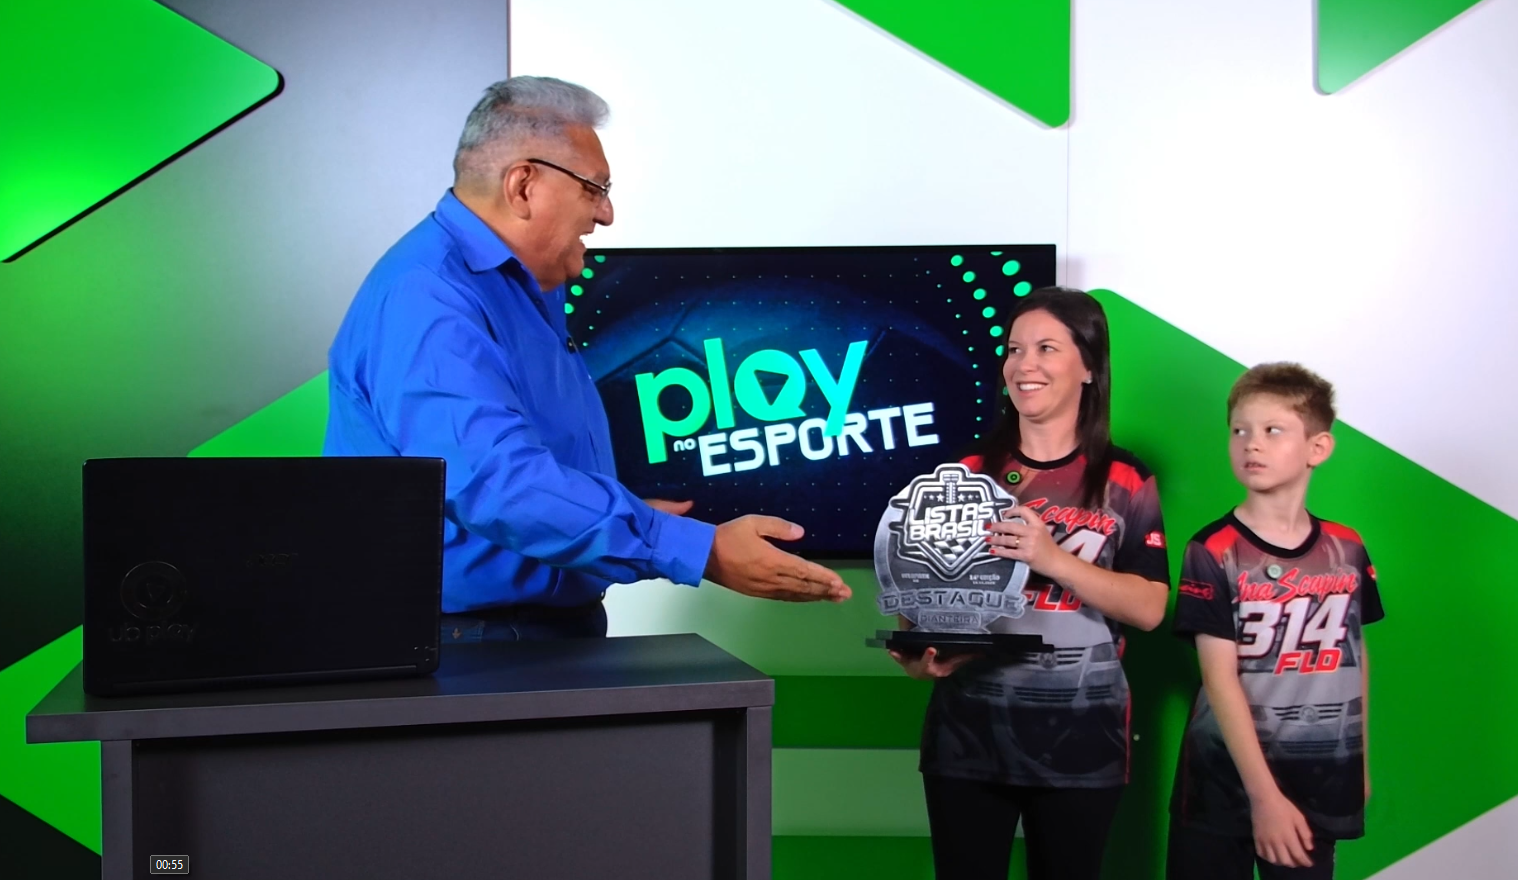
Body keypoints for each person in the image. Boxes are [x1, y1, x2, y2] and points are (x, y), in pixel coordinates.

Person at [323, 75, 848, 641]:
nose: (607, 214)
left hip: (528, 631)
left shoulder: (526, 286)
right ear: (523, 185)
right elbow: (498, 483)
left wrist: (626, 514)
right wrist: (697, 549)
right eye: (594, 188)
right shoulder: (428, 298)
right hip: (468, 644)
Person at [888, 288, 1171, 880]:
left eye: (1046, 348)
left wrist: (1053, 558)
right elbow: (918, 607)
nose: (1024, 365)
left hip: (1083, 741)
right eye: (1015, 350)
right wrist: (919, 654)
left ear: (1088, 366)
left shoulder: (1125, 479)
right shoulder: (964, 474)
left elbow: (1148, 607)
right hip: (968, 739)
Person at [1165, 363, 1383, 880]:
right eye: (1239, 431)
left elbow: (1355, 654)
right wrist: (1264, 799)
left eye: (1272, 430)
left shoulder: (1347, 548)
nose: (1252, 444)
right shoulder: (1212, 549)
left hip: (1318, 779)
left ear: (1317, 448)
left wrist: (1359, 761)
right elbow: (1219, 678)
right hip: (1220, 785)